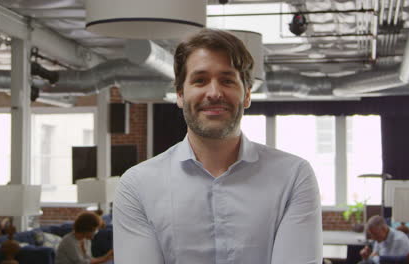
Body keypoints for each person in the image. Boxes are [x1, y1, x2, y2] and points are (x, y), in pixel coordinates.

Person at [113, 28, 322, 264]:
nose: (214, 93)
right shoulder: (137, 186)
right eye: (200, 80)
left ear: (247, 95)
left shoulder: (293, 177)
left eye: (227, 80)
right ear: (180, 95)